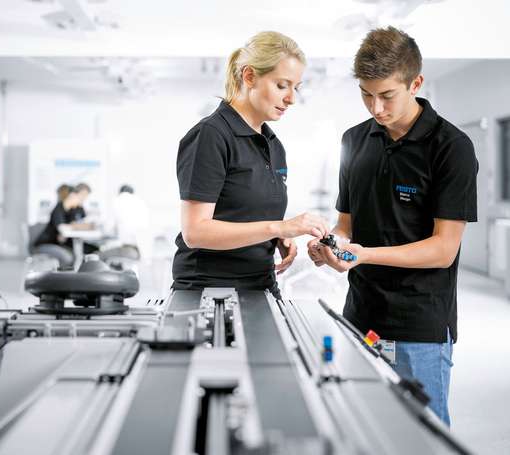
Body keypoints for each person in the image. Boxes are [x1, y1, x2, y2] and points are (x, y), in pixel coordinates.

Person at [307, 26, 478, 426]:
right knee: (363, 428)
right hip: (359, 315)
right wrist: (334, 247)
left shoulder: (451, 147)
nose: (375, 107)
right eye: (366, 94)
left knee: (423, 436)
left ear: (415, 83)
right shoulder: (354, 140)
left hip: (418, 327)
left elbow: (443, 249)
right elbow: (346, 224)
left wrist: (364, 254)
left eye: (387, 95)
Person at [172, 31, 330, 297]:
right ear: (249, 76)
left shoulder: (273, 144)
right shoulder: (211, 135)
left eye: (296, 87)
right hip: (210, 290)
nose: (292, 98)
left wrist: (277, 237)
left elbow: (245, 213)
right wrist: (280, 226)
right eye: (282, 85)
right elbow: (196, 232)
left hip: (261, 284)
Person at [34, 182, 99, 254]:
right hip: (50, 243)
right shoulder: (58, 209)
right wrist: (76, 226)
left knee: (94, 250)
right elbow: (63, 228)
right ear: (72, 195)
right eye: (80, 197)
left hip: (66, 242)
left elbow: (86, 223)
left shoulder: (75, 210)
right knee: (71, 256)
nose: (82, 200)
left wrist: (77, 226)